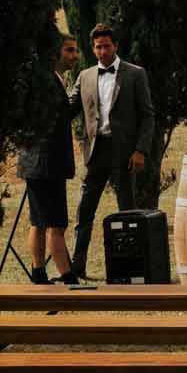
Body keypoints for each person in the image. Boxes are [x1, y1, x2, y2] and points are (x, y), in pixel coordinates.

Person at [72, 21, 156, 278]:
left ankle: (131, 268)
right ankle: (77, 267)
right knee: (84, 212)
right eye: (98, 47)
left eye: (107, 46)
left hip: (124, 154)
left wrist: (141, 150)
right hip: (95, 153)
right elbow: (68, 108)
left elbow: (147, 116)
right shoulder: (85, 76)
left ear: (116, 46)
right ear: (93, 48)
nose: (102, 51)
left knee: (127, 214)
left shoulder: (134, 74)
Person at [17, 30, 81, 285]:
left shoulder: (48, 80)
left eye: (76, 50)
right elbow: (58, 119)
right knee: (56, 224)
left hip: (37, 165)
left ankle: (39, 273)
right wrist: (82, 97)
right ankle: (69, 277)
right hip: (45, 165)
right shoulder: (47, 82)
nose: (75, 56)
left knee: (40, 222)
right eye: (69, 51)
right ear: (55, 53)